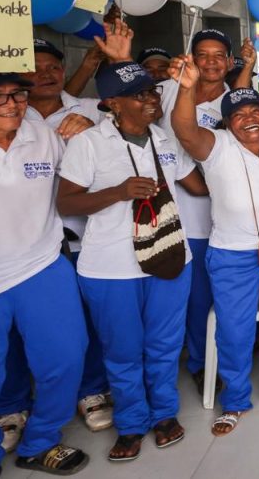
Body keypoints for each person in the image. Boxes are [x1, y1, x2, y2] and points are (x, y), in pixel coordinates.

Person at [56, 62, 207, 462]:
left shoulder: (166, 142)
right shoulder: (88, 143)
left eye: (152, 92)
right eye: (139, 95)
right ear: (112, 104)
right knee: (122, 350)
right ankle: (131, 423)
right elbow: (66, 202)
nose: (151, 100)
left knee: (164, 345)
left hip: (171, 257)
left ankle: (163, 415)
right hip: (111, 268)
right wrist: (118, 192)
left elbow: (198, 185)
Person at [169, 60, 259, 436]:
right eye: (238, 114)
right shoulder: (215, 145)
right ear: (226, 122)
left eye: (256, 111)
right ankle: (235, 399)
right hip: (232, 252)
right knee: (233, 328)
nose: (249, 118)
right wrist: (187, 88)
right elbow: (183, 129)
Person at [0, 72, 90, 477]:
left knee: (67, 358)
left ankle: (41, 442)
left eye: (17, 93)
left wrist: (87, 131)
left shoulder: (42, 135)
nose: (11, 104)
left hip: (41, 265)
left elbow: (87, 163)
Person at [7, 37, 111, 437]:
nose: (45, 73)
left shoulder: (90, 109)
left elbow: (129, 142)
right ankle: (12, 405)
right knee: (14, 330)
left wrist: (94, 131)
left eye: (53, 66)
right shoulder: (6, 114)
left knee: (85, 322)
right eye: (35, 66)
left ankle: (92, 390)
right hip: (22, 241)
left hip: (85, 237)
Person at [156, 30, 253, 396]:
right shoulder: (168, 89)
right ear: (191, 59)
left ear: (230, 62)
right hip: (161, 217)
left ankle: (204, 364)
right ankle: (180, 367)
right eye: (202, 54)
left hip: (204, 219)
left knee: (204, 299)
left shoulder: (236, 104)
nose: (210, 61)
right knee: (168, 305)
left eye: (218, 55)